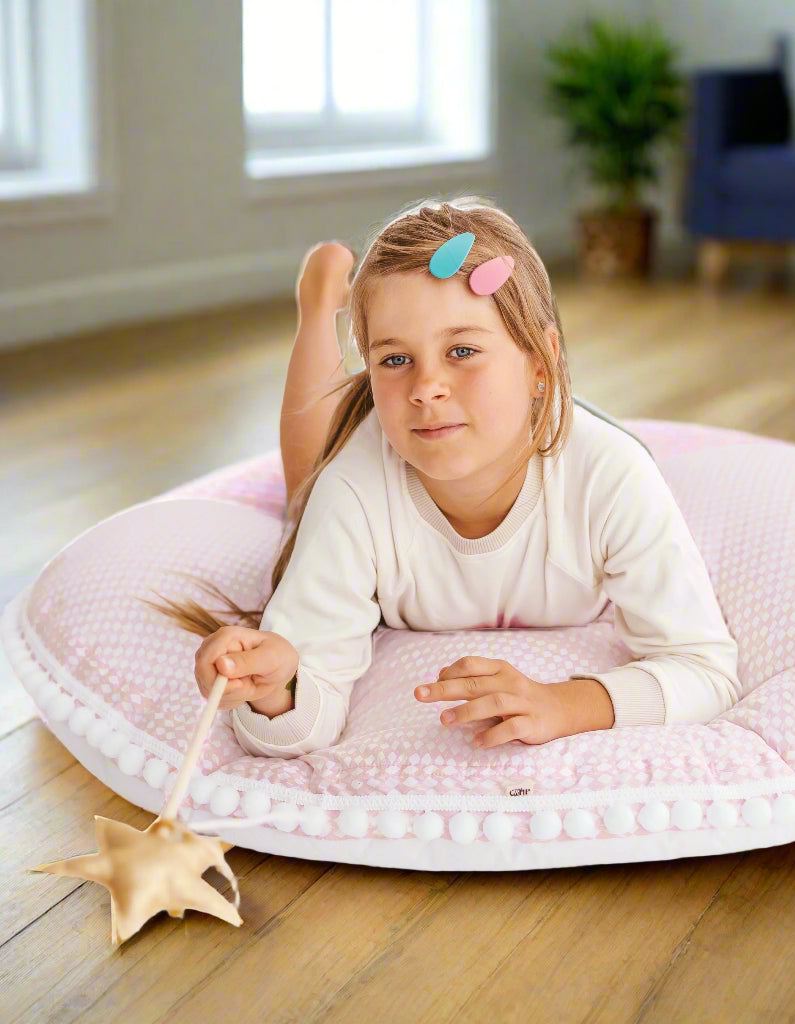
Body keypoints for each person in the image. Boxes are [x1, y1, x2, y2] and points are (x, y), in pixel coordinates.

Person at [146, 195, 744, 758]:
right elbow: (308, 699)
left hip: (564, 433)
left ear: (541, 363)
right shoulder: (353, 491)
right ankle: (319, 301)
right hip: (346, 473)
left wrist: (570, 703)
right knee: (307, 474)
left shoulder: (611, 478)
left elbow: (706, 669)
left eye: (462, 351)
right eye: (394, 360)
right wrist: (275, 689)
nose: (426, 387)